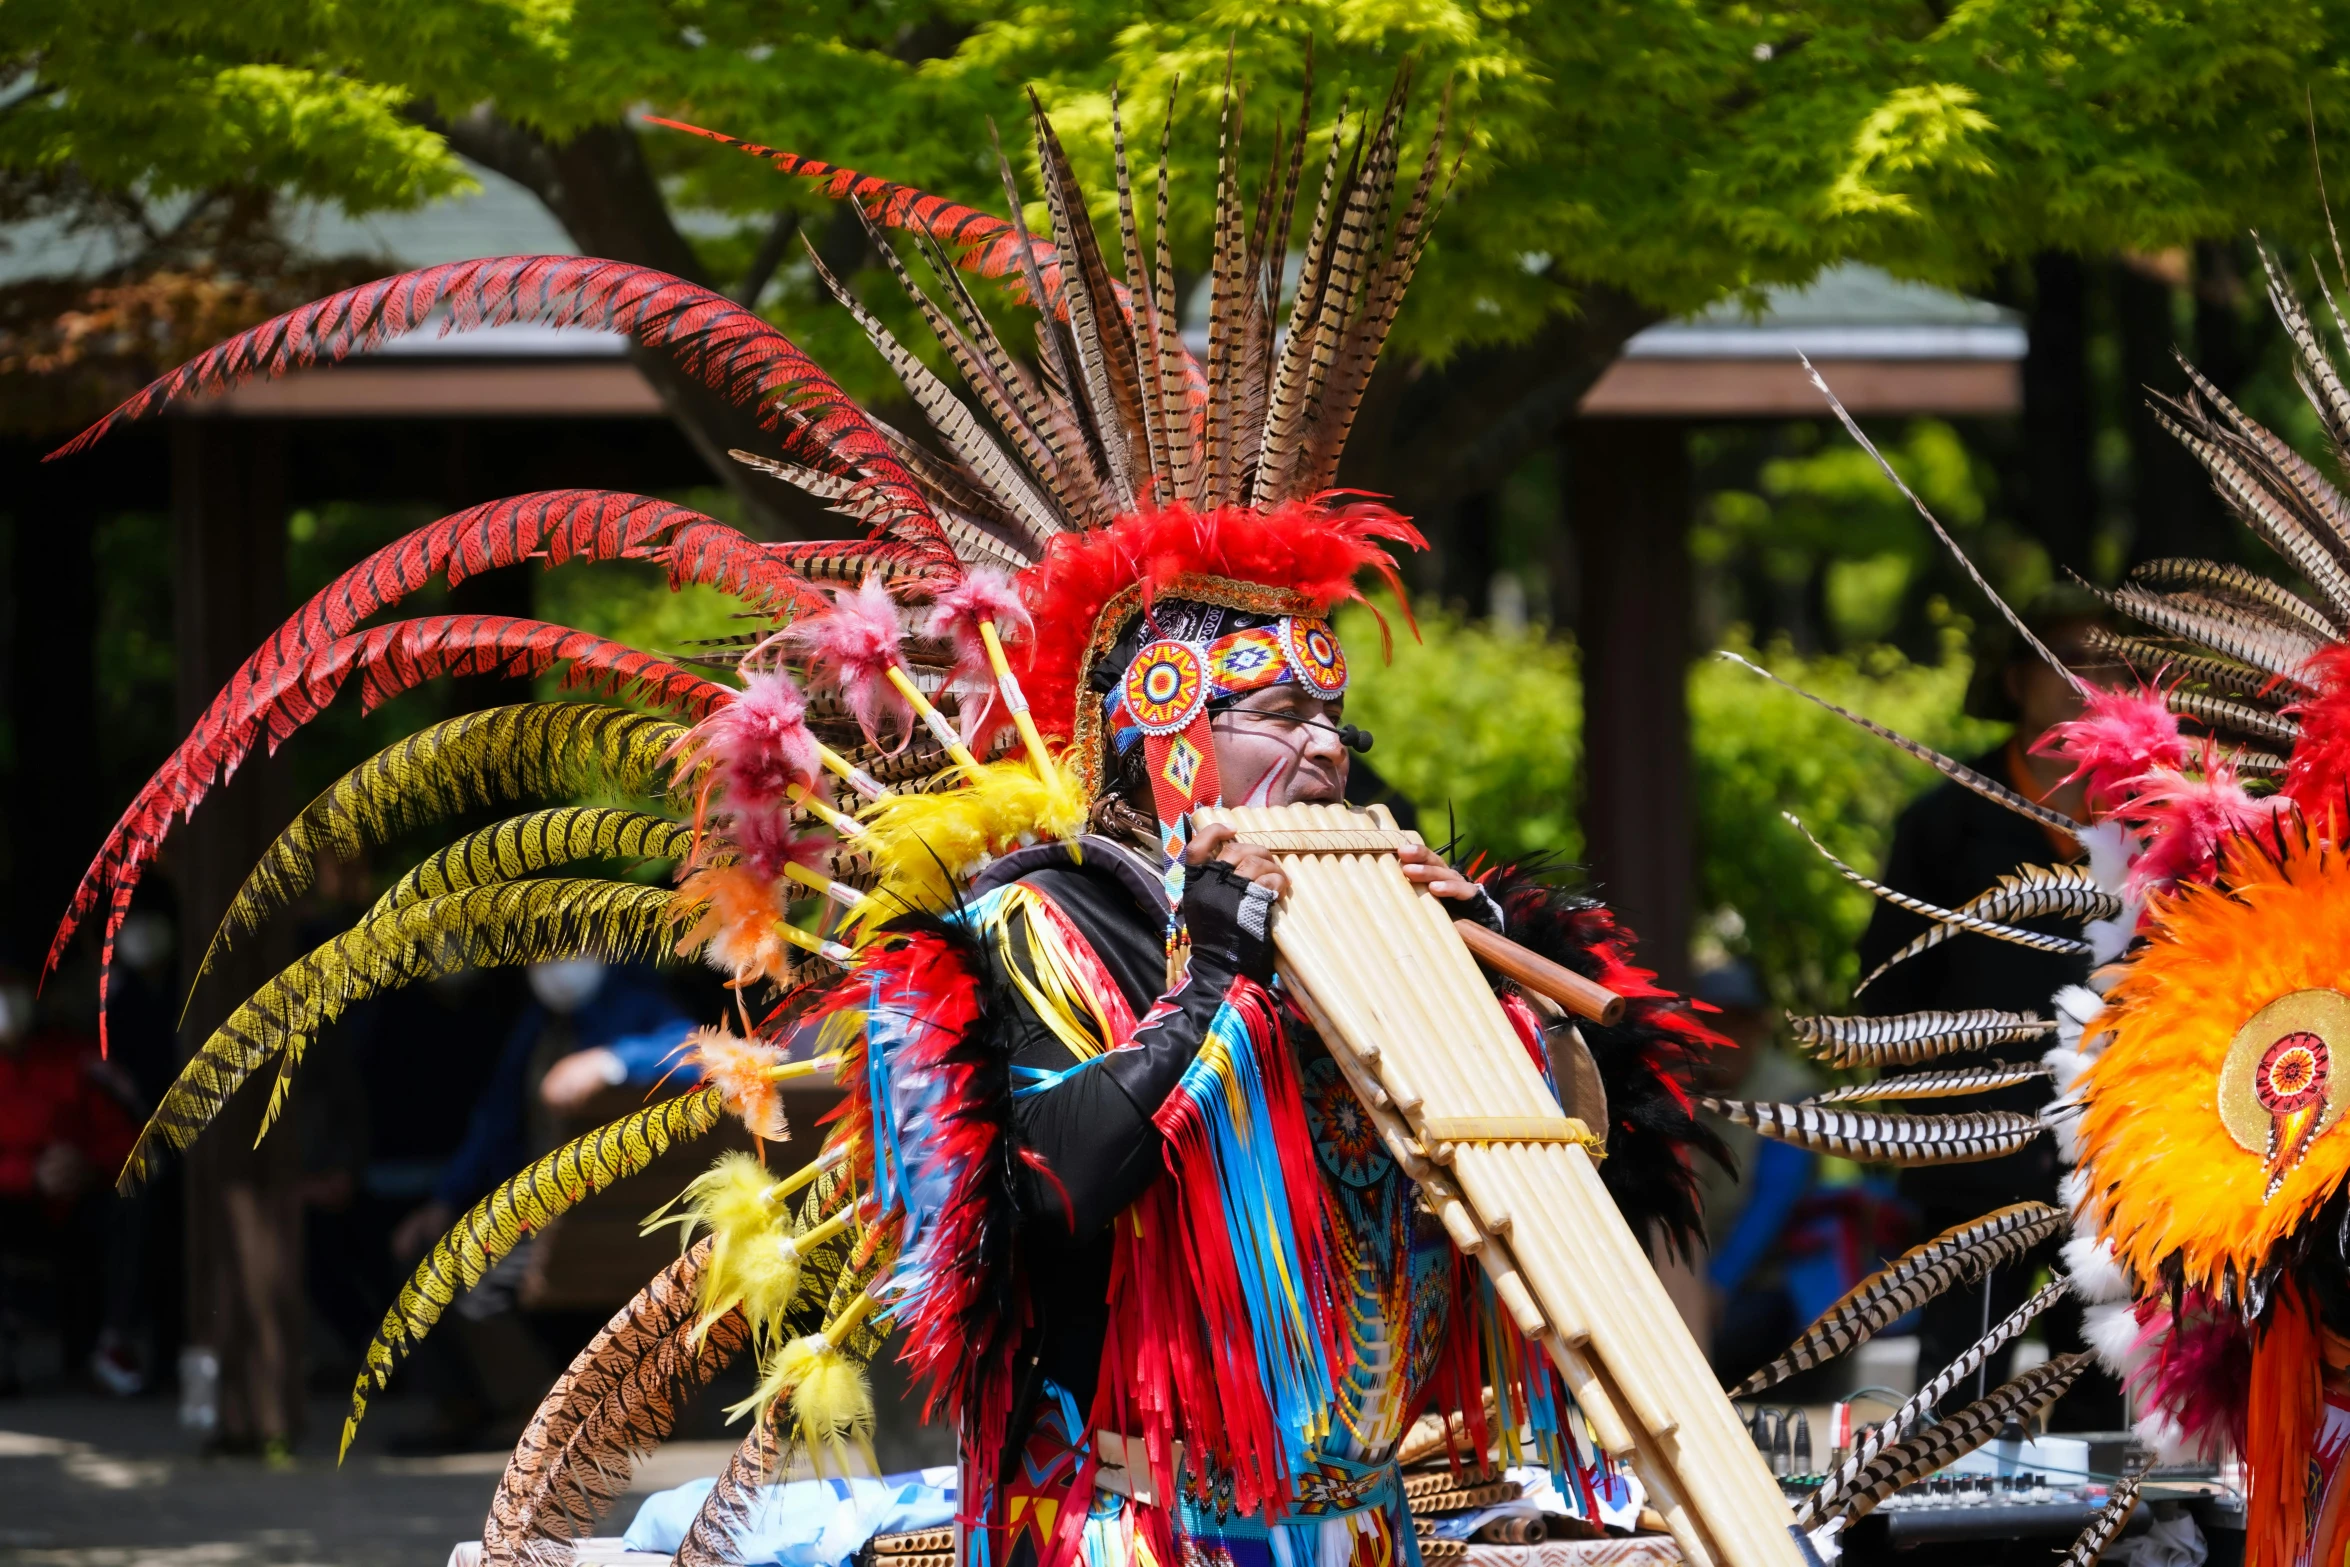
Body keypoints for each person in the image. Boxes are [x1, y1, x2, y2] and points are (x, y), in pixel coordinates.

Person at [40, 68, 1731, 1567]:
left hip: (1366, 1525)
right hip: (1121, 1525)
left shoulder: (1381, 930)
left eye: (1332, 718)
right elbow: (1002, 1239)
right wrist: (1214, 987)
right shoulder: (1017, 931)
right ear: (1158, 749)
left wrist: (1521, 1017)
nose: (1322, 754)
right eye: (1273, 715)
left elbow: (1560, 1196)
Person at [1852, 595, 2124, 1428]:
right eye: (2061, 660)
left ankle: (2100, 1550)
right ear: (2015, 680)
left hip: (2120, 1153)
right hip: (1977, 1146)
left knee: (2106, 1374)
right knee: (1958, 1380)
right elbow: (1886, 986)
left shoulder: (2155, 820)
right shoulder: (1945, 822)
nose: (2085, 683)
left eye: (2105, 666)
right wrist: (1912, 1117)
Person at [0, 968, 137, 1393]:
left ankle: (112, 1343)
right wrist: (28, 1175)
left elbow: (128, 1139)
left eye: (14, 988)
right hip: (11, 1202)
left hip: (76, 1202)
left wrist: (85, 1165)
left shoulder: (75, 1057)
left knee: (135, 1203)